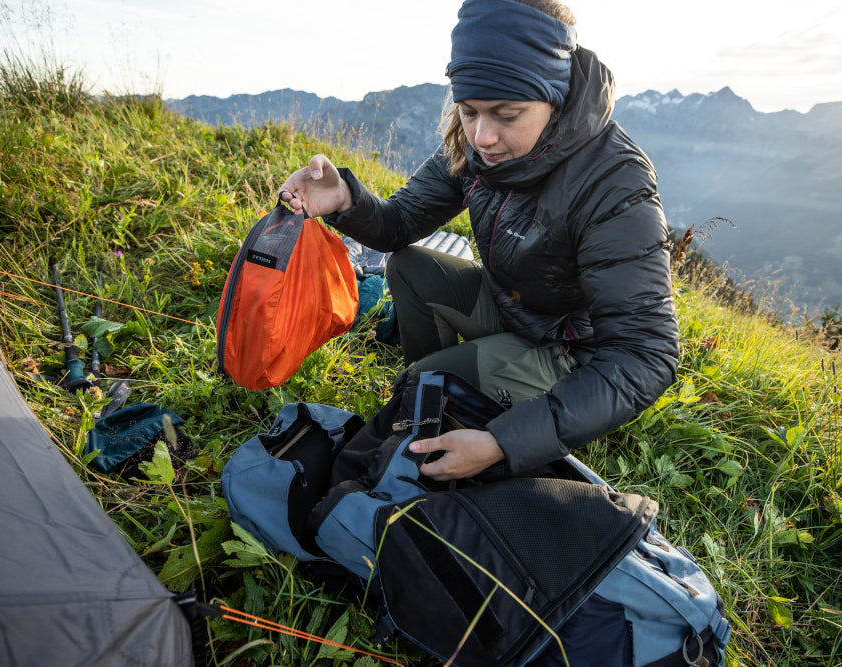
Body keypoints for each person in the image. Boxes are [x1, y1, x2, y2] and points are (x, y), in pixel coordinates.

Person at [280, 0, 679, 483]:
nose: (483, 136)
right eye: (468, 111)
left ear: (554, 97)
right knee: (408, 267)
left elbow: (645, 355)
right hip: (509, 307)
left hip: (568, 351)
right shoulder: (472, 146)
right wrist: (344, 198)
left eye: (506, 115)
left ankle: (441, 399)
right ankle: (432, 395)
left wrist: (503, 442)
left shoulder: (615, 183)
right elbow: (400, 222)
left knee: (426, 383)